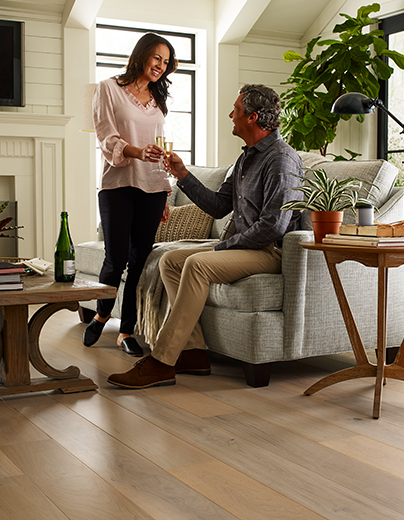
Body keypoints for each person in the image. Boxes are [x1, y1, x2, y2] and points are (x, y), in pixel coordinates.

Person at [107, 83, 304, 388]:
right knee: (170, 261)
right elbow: (218, 205)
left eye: (236, 110)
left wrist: (224, 247)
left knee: (197, 264)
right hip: (245, 247)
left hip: (269, 251)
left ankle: (161, 360)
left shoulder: (282, 159)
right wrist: (182, 174)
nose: (231, 115)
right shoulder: (246, 158)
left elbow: (274, 226)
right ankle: (194, 352)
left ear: (252, 118)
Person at [82, 33, 177, 357]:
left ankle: (126, 332)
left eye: (166, 62)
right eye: (157, 59)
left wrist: (165, 191)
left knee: (139, 261)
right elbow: (107, 138)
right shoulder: (109, 88)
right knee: (116, 257)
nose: (161, 67)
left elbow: (162, 149)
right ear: (142, 55)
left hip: (152, 187)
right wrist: (136, 151)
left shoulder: (157, 99)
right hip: (117, 186)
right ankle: (102, 313)